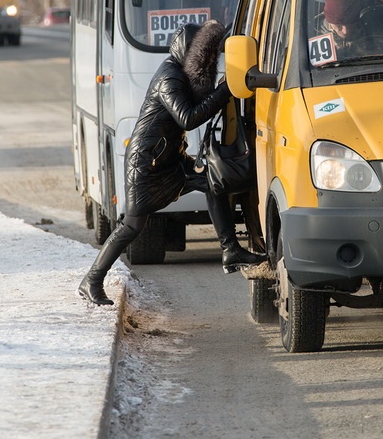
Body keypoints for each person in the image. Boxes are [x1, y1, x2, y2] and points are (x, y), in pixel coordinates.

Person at [77, 20, 266, 306]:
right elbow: (187, 118)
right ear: (184, 52)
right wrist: (225, 90)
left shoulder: (180, 74)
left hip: (169, 159)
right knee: (132, 226)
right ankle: (91, 280)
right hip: (147, 164)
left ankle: (231, 250)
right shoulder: (169, 77)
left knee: (214, 184)